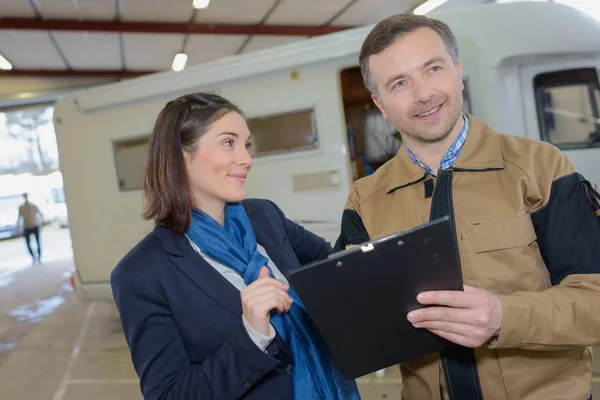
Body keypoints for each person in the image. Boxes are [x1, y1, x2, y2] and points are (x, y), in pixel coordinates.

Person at [335, 13, 600, 400]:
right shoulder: (365, 201)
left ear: (458, 73)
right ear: (381, 104)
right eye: (399, 83)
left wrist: (503, 318)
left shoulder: (539, 168)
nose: (423, 93)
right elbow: (356, 327)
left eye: (433, 69)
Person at [110, 93, 360, 400]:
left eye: (247, 144)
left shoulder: (265, 215)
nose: (246, 158)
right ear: (180, 155)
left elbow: (332, 264)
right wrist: (252, 334)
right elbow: (169, 394)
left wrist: (365, 255)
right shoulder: (140, 274)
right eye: (229, 142)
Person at [16, 193, 43, 264]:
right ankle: (33, 257)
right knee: (28, 244)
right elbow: (19, 218)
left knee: (38, 242)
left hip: (35, 226)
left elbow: (40, 214)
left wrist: (40, 222)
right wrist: (18, 227)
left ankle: (39, 257)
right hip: (26, 227)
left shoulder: (33, 205)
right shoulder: (21, 207)